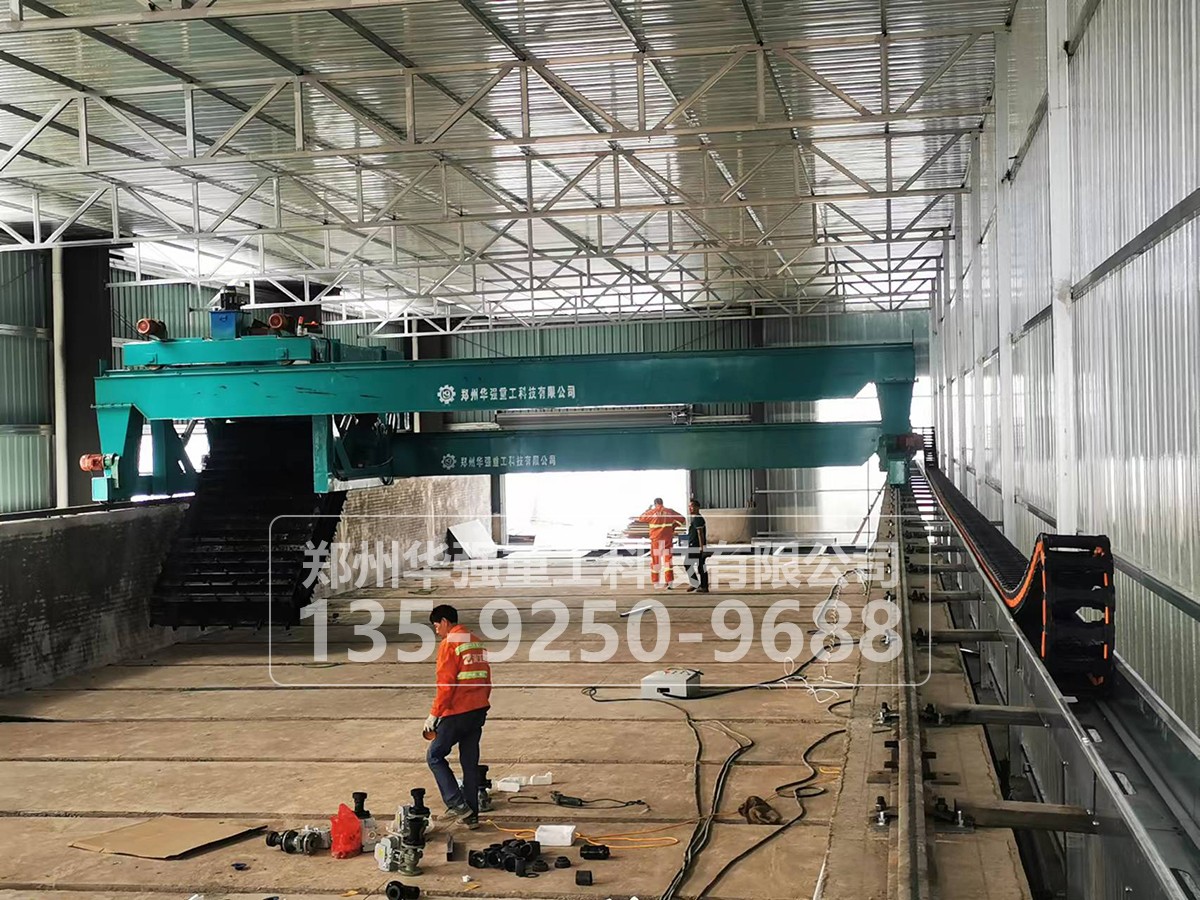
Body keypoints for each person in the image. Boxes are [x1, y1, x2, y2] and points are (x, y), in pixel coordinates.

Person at [424, 604, 491, 829]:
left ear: (445, 622)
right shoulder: (475, 641)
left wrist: (434, 714)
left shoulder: (449, 644)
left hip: (457, 712)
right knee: (469, 763)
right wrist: (481, 702)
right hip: (478, 710)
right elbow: (486, 678)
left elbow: (446, 685)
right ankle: (471, 817)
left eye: (436, 626)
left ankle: (457, 804)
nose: (437, 631)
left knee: (435, 756)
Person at [637, 497, 686, 589]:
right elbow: (682, 519)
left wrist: (647, 510)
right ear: (662, 503)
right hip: (667, 540)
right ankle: (670, 582)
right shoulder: (670, 511)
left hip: (656, 540)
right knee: (668, 561)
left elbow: (641, 518)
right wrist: (673, 526)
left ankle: (656, 582)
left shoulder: (651, 512)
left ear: (655, 504)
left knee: (655, 561)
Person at [684, 499, 710, 593]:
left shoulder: (698, 519)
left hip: (695, 547)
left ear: (697, 507)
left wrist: (701, 547)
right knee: (701, 566)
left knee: (687, 564)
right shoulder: (696, 518)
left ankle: (696, 584)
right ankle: (703, 586)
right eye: (689, 507)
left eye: (692, 506)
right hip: (696, 546)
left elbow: (700, 533)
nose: (690, 508)